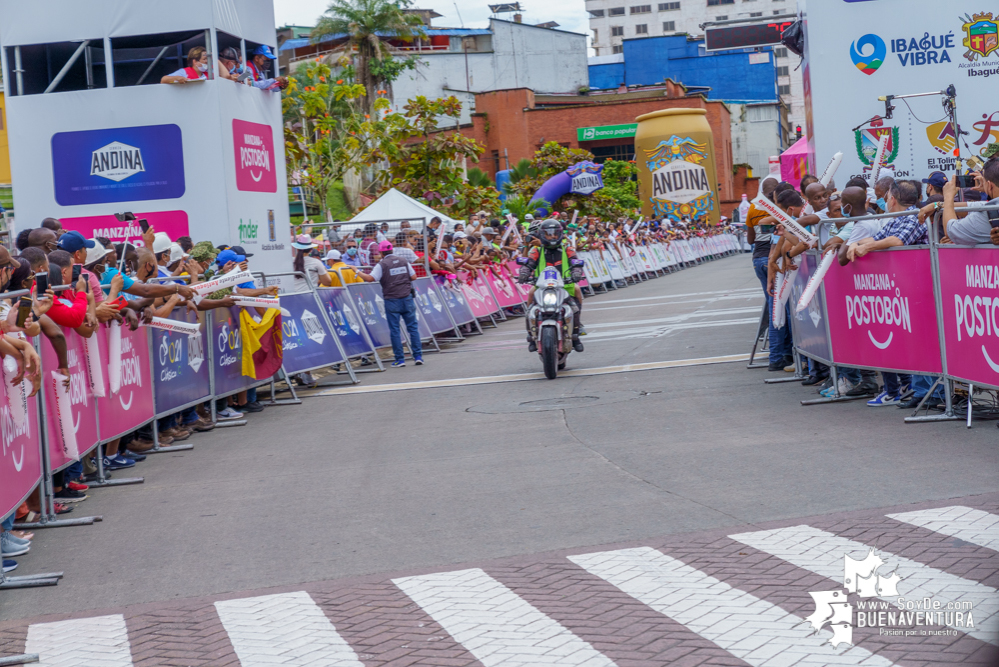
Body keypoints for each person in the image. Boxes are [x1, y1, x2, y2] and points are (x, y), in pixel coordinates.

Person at [517, 219, 585, 353]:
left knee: (575, 303)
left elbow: (575, 261)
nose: (552, 236)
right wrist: (524, 273)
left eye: (555, 233)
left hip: (564, 286)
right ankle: (531, 335)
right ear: (542, 235)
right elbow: (529, 263)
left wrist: (576, 272)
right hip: (542, 286)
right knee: (530, 301)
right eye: (549, 234)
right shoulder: (536, 250)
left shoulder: (567, 248)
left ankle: (576, 334)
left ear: (560, 234)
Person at [357, 241, 422, 368]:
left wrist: (357, 271)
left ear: (381, 253)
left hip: (392, 299)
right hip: (407, 297)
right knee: (413, 328)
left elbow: (370, 278)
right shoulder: (404, 261)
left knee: (395, 330)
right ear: (392, 250)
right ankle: (418, 356)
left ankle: (400, 359)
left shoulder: (382, 264)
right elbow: (413, 277)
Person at [929, 161, 999, 246]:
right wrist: (935, 205)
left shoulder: (989, 212)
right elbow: (975, 206)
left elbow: (951, 230)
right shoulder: (991, 207)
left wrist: (948, 197)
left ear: (990, 185)